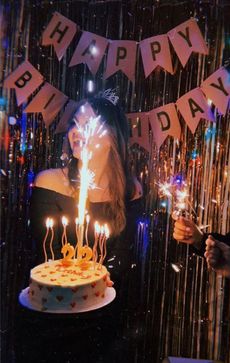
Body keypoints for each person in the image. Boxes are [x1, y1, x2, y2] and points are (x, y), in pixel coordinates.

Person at [14, 92, 144, 363]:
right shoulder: (49, 182)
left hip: (104, 325)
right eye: (74, 123)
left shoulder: (131, 191)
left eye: (86, 124)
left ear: (111, 135)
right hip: (51, 323)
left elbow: (126, 261)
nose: (75, 131)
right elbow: (43, 260)